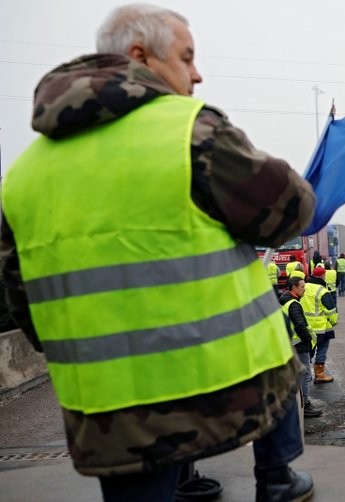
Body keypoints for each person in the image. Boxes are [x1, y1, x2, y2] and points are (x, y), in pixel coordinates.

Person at [0, 4, 316, 501]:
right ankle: (276, 478)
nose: (197, 73)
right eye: (187, 58)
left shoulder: (22, 175)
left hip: (107, 407)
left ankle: (187, 477)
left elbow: (23, 301)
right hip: (225, 383)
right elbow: (290, 213)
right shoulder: (189, 131)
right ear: (140, 55)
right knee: (279, 353)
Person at [280, 277, 321, 418]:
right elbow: (299, 325)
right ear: (294, 288)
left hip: (293, 344)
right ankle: (306, 405)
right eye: (302, 287)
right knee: (305, 375)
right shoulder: (293, 304)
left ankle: (301, 404)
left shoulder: (286, 300)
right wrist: (308, 340)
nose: (304, 289)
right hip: (299, 345)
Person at [308, 266, 337, 384]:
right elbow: (331, 310)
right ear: (322, 276)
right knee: (322, 349)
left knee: (307, 352)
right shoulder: (322, 290)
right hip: (321, 327)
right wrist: (334, 321)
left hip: (306, 328)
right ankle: (319, 375)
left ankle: (305, 375)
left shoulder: (304, 286)